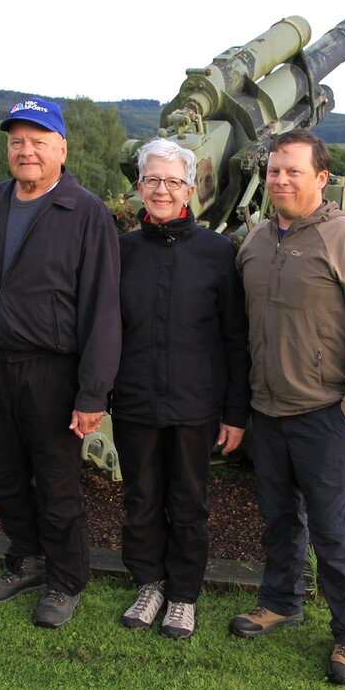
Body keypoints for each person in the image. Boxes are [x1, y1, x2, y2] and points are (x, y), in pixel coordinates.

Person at [228, 130, 345, 685]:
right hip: (268, 413)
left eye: (293, 171)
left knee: (336, 532)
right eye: (274, 170)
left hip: (326, 415)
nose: (280, 179)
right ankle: (281, 601)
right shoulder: (254, 242)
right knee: (279, 522)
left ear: (321, 178)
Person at [0, 98, 121, 628]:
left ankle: (65, 580)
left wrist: (92, 393)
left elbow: (104, 309)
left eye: (38, 140)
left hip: (54, 372)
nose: (26, 150)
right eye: (17, 141)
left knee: (56, 483)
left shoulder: (85, 212)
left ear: (62, 147)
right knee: (1, 474)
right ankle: (28, 560)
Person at [111, 138, 250, 639]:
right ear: (140, 186)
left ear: (190, 189)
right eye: (152, 180)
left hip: (196, 406)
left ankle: (184, 595)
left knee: (189, 501)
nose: (161, 190)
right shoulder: (120, 250)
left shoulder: (218, 252)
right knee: (141, 496)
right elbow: (105, 330)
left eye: (172, 181)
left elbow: (236, 339)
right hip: (134, 401)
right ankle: (150, 583)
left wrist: (235, 413)